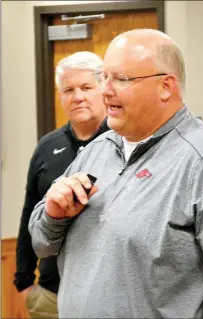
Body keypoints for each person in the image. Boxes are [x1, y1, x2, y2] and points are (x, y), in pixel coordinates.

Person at [29, 29, 203, 318]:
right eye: (104, 77)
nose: (106, 90)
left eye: (121, 79)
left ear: (166, 87)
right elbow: (41, 242)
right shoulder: (97, 150)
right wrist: (53, 215)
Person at [14, 51, 109, 318]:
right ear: (60, 97)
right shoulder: (47, 146)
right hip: (51, 294)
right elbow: (29, 211)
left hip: (107, 294)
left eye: (86, 87)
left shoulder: (123, 143)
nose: (77, 96)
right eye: (68, 89)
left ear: (104, 89)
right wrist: (23, 281)